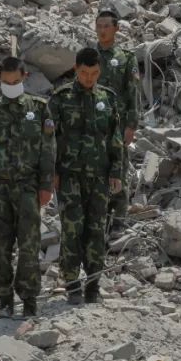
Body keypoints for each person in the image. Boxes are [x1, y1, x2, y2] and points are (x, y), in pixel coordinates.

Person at [0, 57, 55, 318]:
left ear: (25, 77)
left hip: (28, 187)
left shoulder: (38, 108)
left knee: (29, 244)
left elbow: (48, 149)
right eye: (6, 83)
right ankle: (5, 299)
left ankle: (29, 299)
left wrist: (46, 185)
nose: (11, 87)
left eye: (16, 82)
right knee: (1, 246)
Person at [48, 48, 123, 305]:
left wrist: (116, 172)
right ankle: (72, 285)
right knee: (72, 229)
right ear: (75, 70)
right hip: (69, 176)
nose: (89, 78)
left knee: (96, 230)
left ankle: (93, 285)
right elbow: (48, 140)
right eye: (83, 73)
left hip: (99, 177)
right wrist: (52, 172)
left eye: (94, 73)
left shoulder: (108, 98)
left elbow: (115, 139)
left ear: (100, 71)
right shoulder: (61, 99)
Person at [94, 10, 139, 237]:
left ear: (116, 29)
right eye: (98, 26)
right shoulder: (88, 56)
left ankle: (119, 220)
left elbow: (133, 93)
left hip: (117, 124)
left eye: (106, 26)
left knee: (118, 167)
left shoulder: (126, 58)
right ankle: (98, 218)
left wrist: (131, 125)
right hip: (92, 124)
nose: (102, 30)